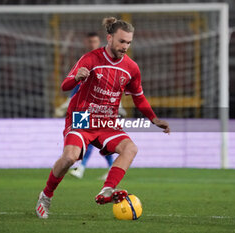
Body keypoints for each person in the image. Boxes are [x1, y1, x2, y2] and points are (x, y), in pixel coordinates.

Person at [36, 17, 170, 219]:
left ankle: (107, 189)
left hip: (107, 121)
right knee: (70, 158)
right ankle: (45, 196)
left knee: (131, 148)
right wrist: (76, 77)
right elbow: (65, 86)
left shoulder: (131, 68)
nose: (125, 46)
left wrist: (154, 119)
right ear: (109, 38)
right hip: (81, 117)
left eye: (128, 42)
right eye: (121, 41)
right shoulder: (90, 59)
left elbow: (139, 98)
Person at [55, 32, 116, 179]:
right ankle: (83, 167)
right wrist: (67, 103)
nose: (92, 44)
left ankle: (85, 167)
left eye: (94, 41)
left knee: (97, 138)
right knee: (83, 137)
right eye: (89, 42)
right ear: (85, 43)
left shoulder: (104, 60)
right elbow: (78, 83)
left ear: (98, 42)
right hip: (82, 108)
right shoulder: (84, 60)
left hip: (99, 107)